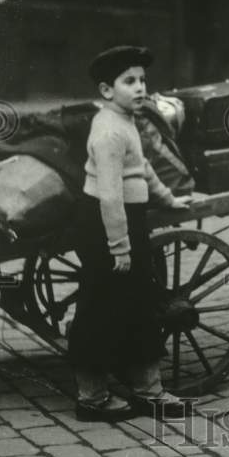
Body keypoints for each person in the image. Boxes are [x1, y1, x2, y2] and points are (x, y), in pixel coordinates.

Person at [69, 44, 193, 421]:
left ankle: (148, 391)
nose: (140, 88)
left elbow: (143, 170)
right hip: (105, 226)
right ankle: (91, 397)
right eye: (129, 81)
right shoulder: (108, 131)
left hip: (128, 220)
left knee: (140, 303)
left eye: (143, 80)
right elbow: (109, 195)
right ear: (107, 91)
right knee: (100, 308)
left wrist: (168, 199)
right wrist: (119, 248)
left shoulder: (127, 122)